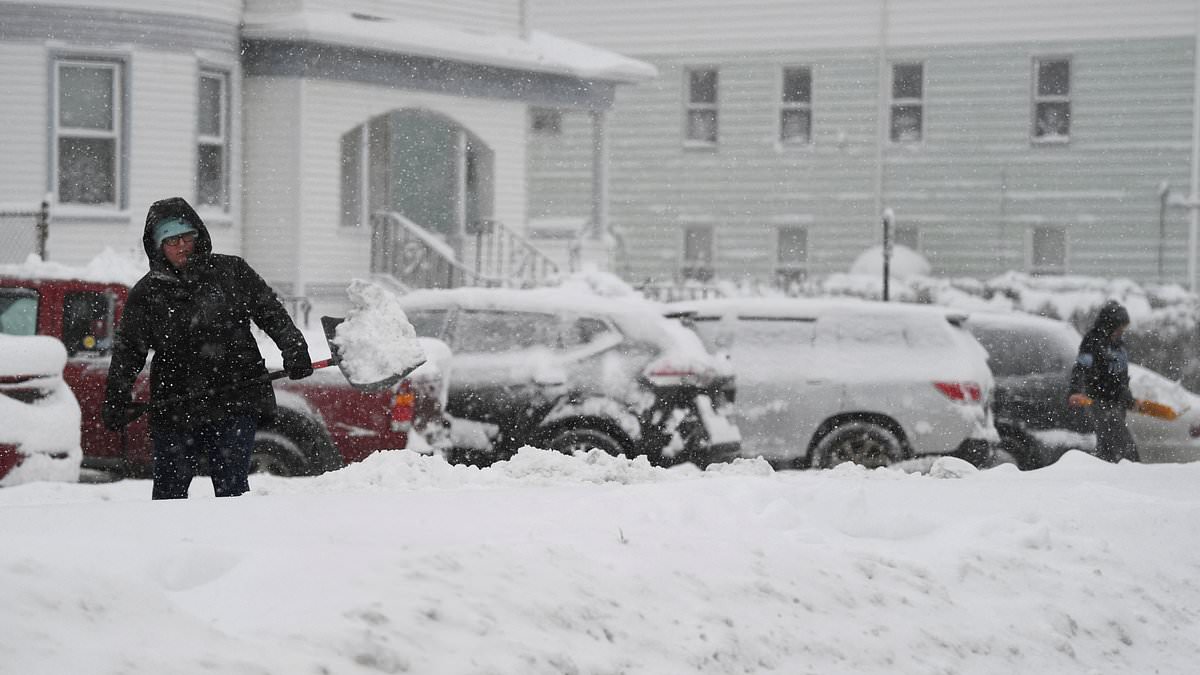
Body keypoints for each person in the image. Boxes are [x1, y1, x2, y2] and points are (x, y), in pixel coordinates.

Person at [102, 197, 313, 499]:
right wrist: (117, 397)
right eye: (172, 240)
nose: (182, 246)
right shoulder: (147, 294)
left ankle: (230, 544)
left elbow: (270, 312)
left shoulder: (231, 272)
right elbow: (128, 351)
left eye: (188, 237)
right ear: (157, 246)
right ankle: (174, 545)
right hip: (175, 405)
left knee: (232, 491)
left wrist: (294, 349)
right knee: (169, 494)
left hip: (236, 398)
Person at [1067, 300, 1140, 463]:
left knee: (1110, 447)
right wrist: (1075, 391)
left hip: (1117, 403)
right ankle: (1129, 472)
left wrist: (1126, 395)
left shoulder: (1119, 345)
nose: (1122, 330)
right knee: (1122, 446)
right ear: (1110, 324)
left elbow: (1121, 375)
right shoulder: (1093, 342)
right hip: (1099, 401)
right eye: (1120, 326)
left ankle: (1107, 475)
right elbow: (1081, 367)